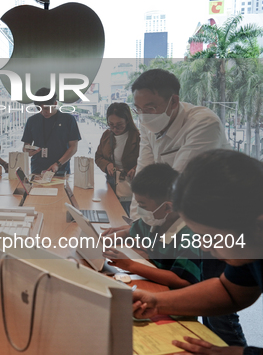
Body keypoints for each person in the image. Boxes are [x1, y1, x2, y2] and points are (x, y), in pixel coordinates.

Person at [132, 149, 261, 354]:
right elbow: (229, 291)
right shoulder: (248, 249)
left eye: (209, 235)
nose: (204, 246)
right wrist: (156, 302)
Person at [103, 163, 246, 346]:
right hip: (200, 289)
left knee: (222, 323)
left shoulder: (188, 233)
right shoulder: (156, 220)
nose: (203, 245)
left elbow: (186, 281)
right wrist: (118, 236)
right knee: (211, 326)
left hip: (204, 285)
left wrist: (131, 265)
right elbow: (134, 230)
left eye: (142, 205)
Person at [130, 68, 230, 218]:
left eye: (150, 108)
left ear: (174, 102)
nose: (143, 116)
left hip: (213, 213)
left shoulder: (203, 123)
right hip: (175, 211)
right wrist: (134, 223)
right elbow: (142, 175)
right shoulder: (147, 125)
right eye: (138, 109)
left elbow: (177, 186)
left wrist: (140, 228)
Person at [21, 88, 81, 176]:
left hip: (61, 170)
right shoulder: (32, 121)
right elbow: (25, 147)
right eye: (39, 108)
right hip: (37, 170)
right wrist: (27, 152)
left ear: (55, 104)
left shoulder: (68, 120)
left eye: (46, 108)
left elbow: (73, 147)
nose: (43, 112)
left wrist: (58, 164)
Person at [95, 102, 140, 215]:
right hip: (111, 183)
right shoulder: (106, 135)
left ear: (128, 120)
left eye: (119, 124)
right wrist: (107, 165)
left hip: (132, 186)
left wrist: (136, 168)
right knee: (111, 215)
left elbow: (148, 159)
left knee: (128, 219)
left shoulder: (138, 136)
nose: (115, 128)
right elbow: (98, 156)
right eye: (111, 124)